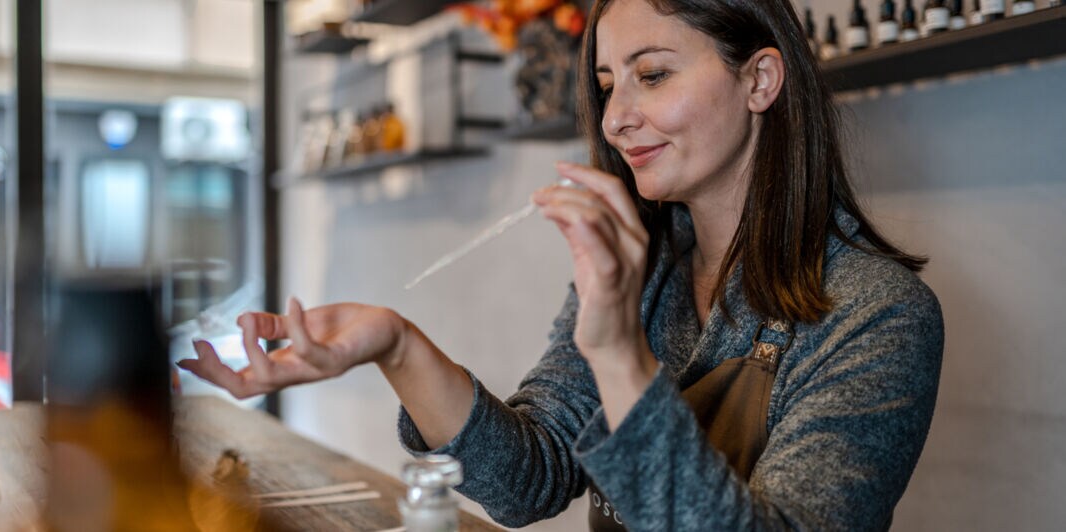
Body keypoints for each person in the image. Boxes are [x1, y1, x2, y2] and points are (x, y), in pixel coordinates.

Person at [178, 0, 944, 529]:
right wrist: (397, 345)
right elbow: (524, 481)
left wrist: (617, 351)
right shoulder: (639, 272)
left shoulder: (878, 314)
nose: (614, 118)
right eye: (608, 85)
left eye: (652, 75)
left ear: (759, 80)